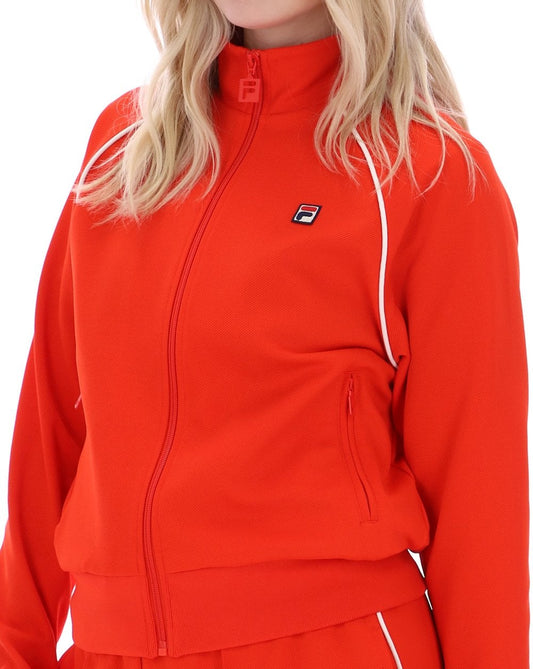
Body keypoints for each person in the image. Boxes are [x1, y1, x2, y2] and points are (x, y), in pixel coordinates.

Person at [0, 0, 529, 667]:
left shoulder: (425, 177)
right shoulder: (126, 151)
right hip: (106, 648)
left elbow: (480, 514)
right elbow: (50, 438)